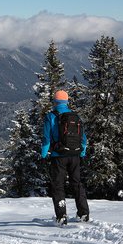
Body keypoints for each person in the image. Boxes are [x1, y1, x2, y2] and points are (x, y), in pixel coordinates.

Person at [41, 90, 89, 225]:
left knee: (58, 185)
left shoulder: (51, 116)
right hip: (75, 155)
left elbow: (46, 139)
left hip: (58, 156)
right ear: (67, 101)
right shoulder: (75, 116)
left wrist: (44, 155)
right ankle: (83, 213)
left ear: (55, 102)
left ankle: (61, 216)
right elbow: (83, 139)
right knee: (77, 184)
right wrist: (82, 153)